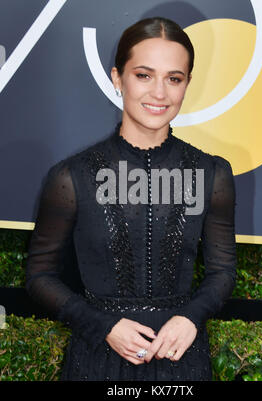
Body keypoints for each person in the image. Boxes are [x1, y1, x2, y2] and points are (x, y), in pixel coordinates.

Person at [25, 16, 237, 381]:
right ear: (116, 78)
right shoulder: (71, 176)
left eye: (174, 78)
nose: (159, 93)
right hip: (97, 358)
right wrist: (101, 324)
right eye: (143, 75)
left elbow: (222, 271)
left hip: (181, 358)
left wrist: (190, 318)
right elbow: (39, 276)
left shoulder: (211, 173)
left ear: (187, 84)